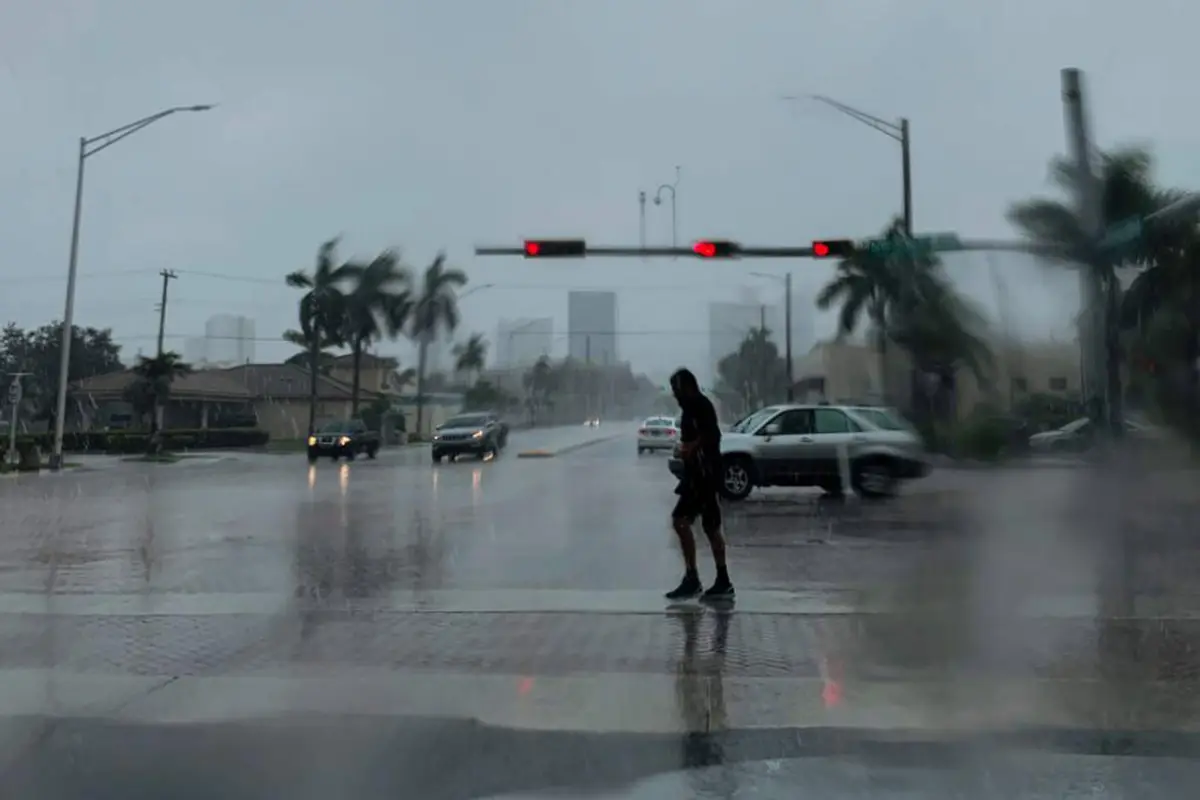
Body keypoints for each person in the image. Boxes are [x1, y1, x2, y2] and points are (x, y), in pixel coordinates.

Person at [666, 368, 734, 600]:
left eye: (676, 389)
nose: (674, 394)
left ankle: (712, 579)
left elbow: (712, 435)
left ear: (687, 387)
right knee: (690, 523)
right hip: (695, 476)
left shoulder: (701, 406)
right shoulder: (689, 408)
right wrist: (685, 449)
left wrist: (692, 446)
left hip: (705, 476)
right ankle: (698, 578)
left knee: (696, 524)